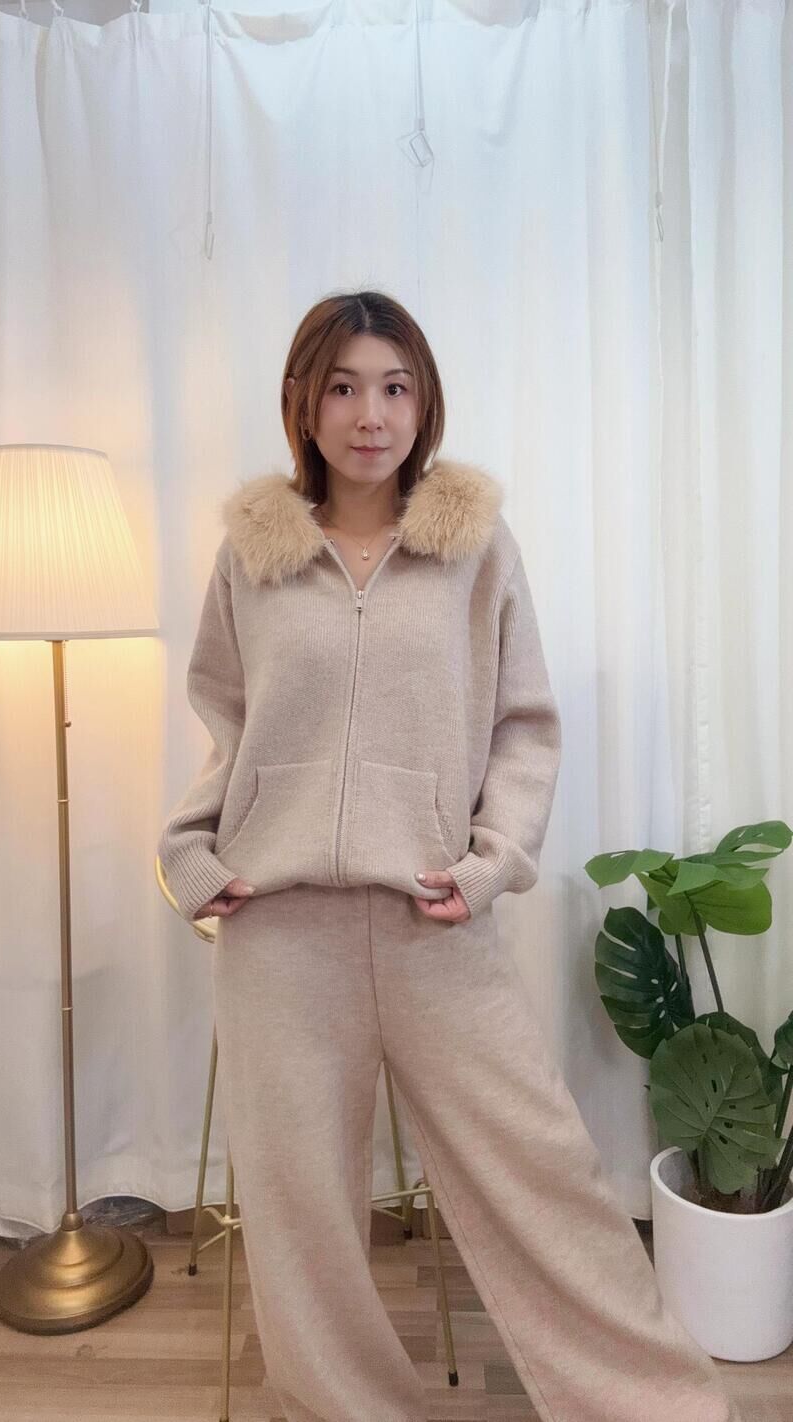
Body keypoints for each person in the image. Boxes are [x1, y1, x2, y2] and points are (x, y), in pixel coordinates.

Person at [157, 290, 742, 1422]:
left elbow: (524, 726)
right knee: (301, 1207)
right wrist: (188, 852)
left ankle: (654, 1403)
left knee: (541, 1172)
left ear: (423, 402)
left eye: (394, 387)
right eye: (342, 387)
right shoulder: (253, 555)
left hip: (433, 915)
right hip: (280, 931)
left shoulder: (474, 547)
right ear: (303, 403)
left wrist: (489, 861)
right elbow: (226, 724)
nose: (369, 414)